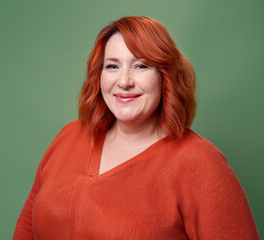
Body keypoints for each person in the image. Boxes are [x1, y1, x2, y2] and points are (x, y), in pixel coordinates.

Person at [13, 16, 260, 240]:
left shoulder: (200, 163)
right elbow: (27, 228)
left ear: (165, 75)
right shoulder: (69, 136)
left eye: (141, 66)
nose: (124, 81)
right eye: (112, 66)